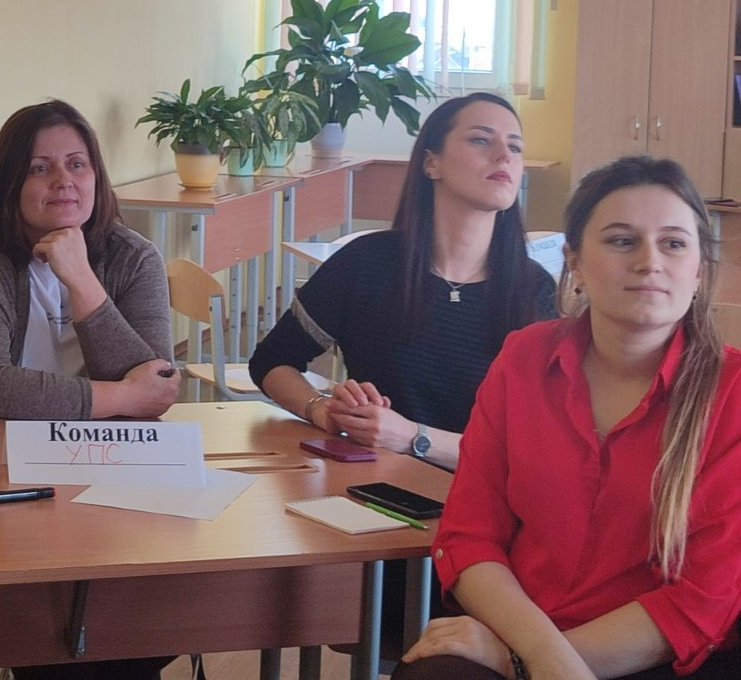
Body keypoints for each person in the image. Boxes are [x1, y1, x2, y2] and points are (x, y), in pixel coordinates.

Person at [396, 156, 741, 680]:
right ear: (573, 261)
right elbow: (469, 536)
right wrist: (533, 654)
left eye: (674, 243)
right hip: (522, 630)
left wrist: (522, 664)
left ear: (698, 270)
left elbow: (702, 598)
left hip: (660, 658)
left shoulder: (731, 392)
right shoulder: (523, 358)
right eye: (622, 240)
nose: (649, 261)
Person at [249, 93, 556, 467]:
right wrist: (322, 409)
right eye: (480, 139)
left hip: (482, 490)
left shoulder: (534, 290)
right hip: (375, 484)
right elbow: (272, 361)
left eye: (515, 146)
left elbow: (535, 442)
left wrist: (414, 438)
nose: (503, 155)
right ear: (431, 162)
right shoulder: (366, 262)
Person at [0, 99, 177, 421]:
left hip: (106, 443)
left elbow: (157, 384)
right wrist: (124, 397)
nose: (63, 180)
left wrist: (82, 279)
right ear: (9, 184)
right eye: (39, 168)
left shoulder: (136, 259)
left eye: (77, 164)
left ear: (96, 176)